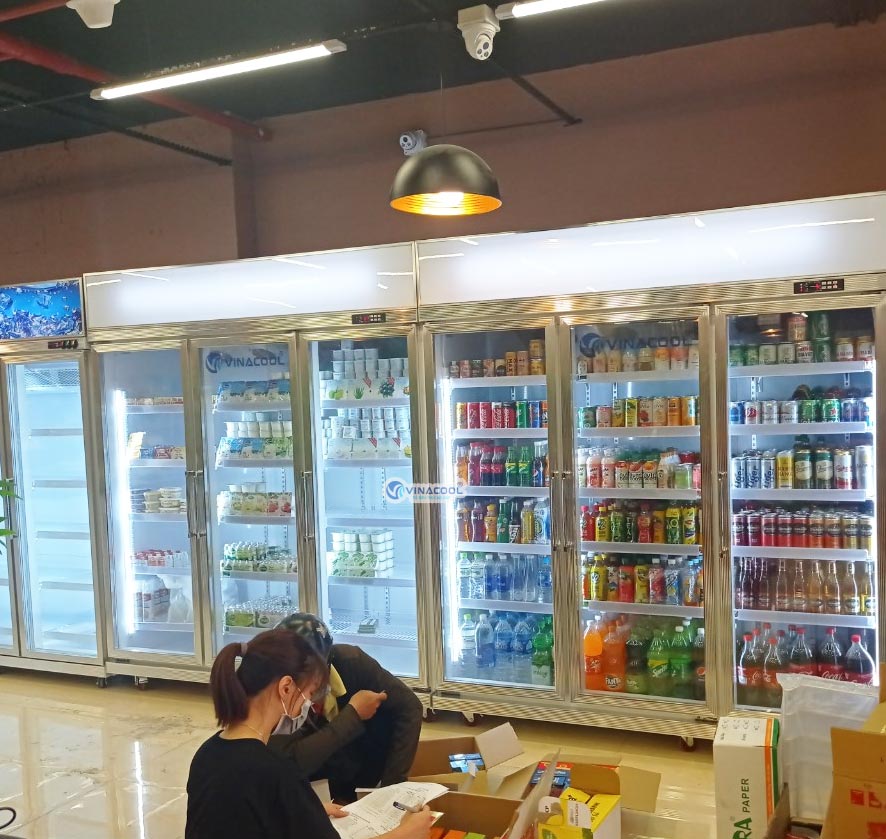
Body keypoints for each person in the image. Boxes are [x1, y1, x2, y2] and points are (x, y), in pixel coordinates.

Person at [186, 628, 433, 839]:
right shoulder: (276, 772)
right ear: (286, 688)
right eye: (310, 693)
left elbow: (247, 819)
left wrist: (304, 812)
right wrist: (405, 833)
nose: (309, 705)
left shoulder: (206, 755)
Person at [269, 613, 423, 802]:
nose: (305, 685)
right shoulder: (274, 692)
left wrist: (392, 788)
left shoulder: (352, 662)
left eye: (311, 676)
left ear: (326, 664)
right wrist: (353, 715)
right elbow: (291, 763)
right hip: (314, 786)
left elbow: (410, 707)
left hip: (366, 769)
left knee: (390, 710)